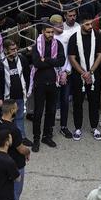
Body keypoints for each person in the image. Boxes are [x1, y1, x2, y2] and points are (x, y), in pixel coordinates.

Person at [30, 21, 66, 151]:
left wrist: (46, 59)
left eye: (52, 32)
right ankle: (36, 138)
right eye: (48, 32)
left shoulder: (58, 44)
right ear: (43, 32)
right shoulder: (37, 45)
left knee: (51, 111)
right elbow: (37, 63)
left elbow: (61, 61)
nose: (51, 34)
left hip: (53, 83)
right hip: (40, 83)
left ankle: (47, 136)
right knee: (38, 112)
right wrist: (52, 61)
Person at [68, 12, 101, 140]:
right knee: (78, 103)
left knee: (94, 102)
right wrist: (84, 73)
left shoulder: (97, 36)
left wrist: (91, 72)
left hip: (94, 75)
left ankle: (94, 127)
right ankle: (77, 128)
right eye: (87, 24)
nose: (90, 26)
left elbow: (100, 55)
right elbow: (71, 58)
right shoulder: (74, 38)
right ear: (81, 24)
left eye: (91, 24)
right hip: (79, 76)